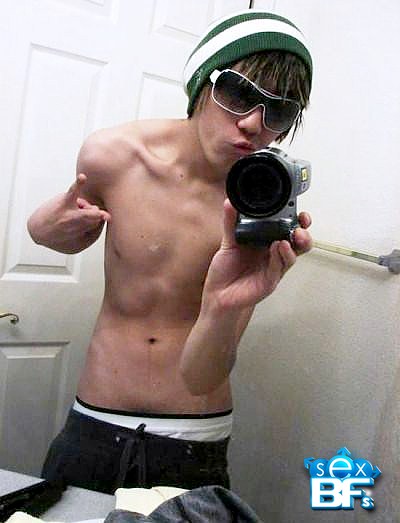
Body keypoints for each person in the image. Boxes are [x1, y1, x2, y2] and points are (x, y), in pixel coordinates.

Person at [27, 9, 313, 494]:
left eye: (278, 111)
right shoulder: (113, 156)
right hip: (95, 416)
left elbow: (203, 376)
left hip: (195, 435)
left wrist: (224, 305)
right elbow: (67, 229)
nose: (252, 124)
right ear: (202, 84)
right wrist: (41, 229)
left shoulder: (260, 200)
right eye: (239, 93)